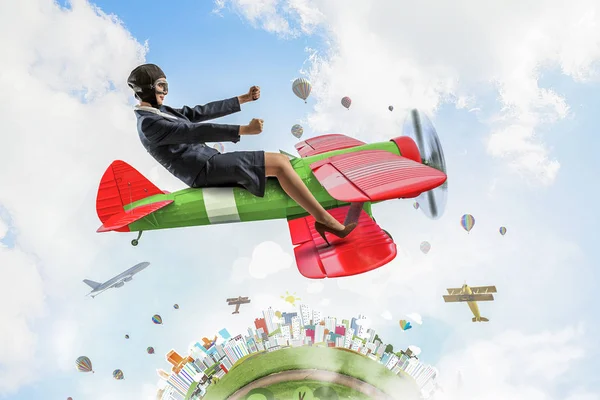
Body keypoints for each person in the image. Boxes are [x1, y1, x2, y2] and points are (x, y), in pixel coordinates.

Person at [126, 63, 356, 244]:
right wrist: (243, 130)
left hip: (208, 160)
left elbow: (197, 113)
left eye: (166, 86)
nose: (165, 92)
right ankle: (324, 220)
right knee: (279, 162)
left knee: (282, 162)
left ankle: (314, 209)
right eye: (161, 86)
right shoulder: (149, 123)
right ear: (146, 89)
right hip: (202, 169)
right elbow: (191, 131)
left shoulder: (160, 111)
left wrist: (243, 99)